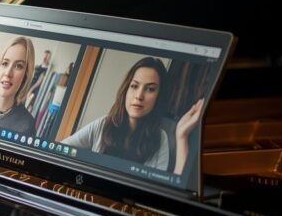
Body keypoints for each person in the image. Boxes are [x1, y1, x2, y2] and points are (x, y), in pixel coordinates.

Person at [61, 56, 203, 174]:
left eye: (150, 89)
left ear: (159, 97)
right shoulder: (103, 124)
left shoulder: (160, 138)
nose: (139, 96)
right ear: (126, 89)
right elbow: (61, 150)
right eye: (134, 86)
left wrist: (181, 136)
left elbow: (167, 189)